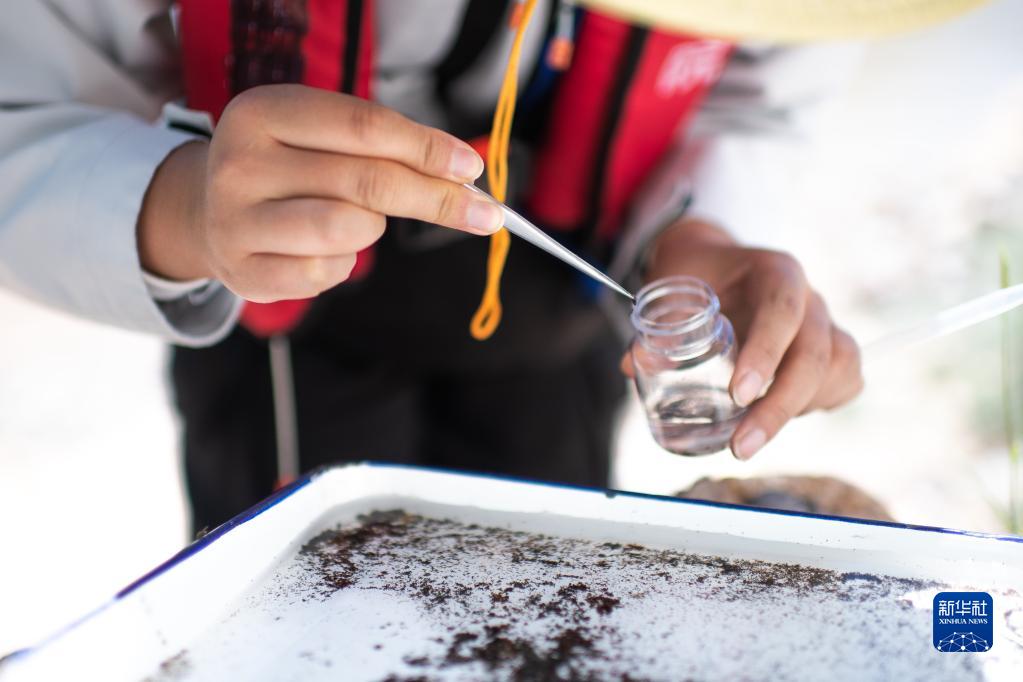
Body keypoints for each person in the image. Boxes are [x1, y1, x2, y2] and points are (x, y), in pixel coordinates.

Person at [0, 0, 862, 532]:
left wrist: (701, 231)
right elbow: (21, 111)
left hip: (564, 328)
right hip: (288, 336)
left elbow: (756, 95)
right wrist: (185, 208)